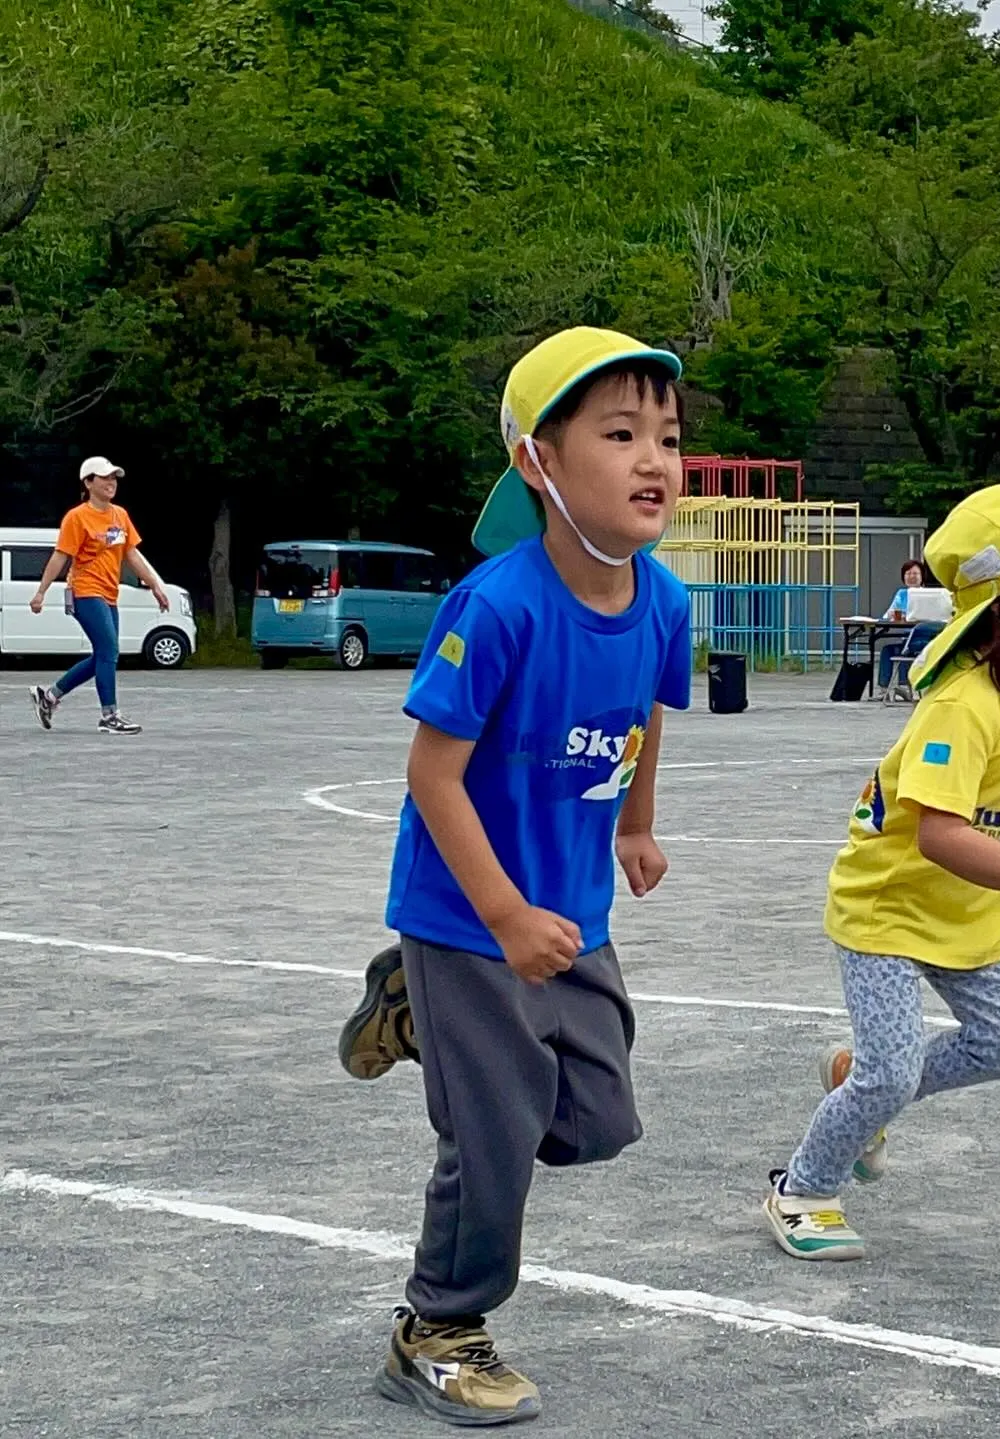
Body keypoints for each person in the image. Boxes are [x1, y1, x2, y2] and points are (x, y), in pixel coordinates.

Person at [336, 328, 693, 1427]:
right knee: (492, 1134)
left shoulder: (664, 597)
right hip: (467, 909)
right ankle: (437, 1328)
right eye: (621, 434)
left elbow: (644, 711)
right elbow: (431, 774)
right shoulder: (499, 606)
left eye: (669, 439)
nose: (656, 462)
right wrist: (499, 910)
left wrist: (636, 820)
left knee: (597, 1116)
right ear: (540, 462)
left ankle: (408, 1008)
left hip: (573, 910)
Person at [763, 482, 1000, 1261]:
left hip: (963, 918)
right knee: (890, 1073)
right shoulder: (961, 702)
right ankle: (804, 1186)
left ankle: (858, 1081)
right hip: (889, 909)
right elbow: (938, 835)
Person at [27, 457, 170, 736]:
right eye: (104, 478)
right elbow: (61, 556)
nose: (111, 482)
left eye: (114, 478)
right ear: (88, 482)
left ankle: (50, 697)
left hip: (109, 594)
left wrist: (155, 585)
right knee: (108, 652)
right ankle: (109, 716)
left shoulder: (120, 515)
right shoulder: (77, 517)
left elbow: (131, 554)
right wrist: (41, 591)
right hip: (85, 591)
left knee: (103, 656)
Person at [877, 557, 944, 690]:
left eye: (915, 573)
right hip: (907, 637)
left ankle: (905, 686)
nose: (911, 577)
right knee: (888, 650)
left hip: (926, 639)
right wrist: (891, 615)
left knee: (905, 649)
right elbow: (888, 615)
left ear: (922, 576)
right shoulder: (902, 594)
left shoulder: (931, 595)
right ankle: (884, 689)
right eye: (908, 574)